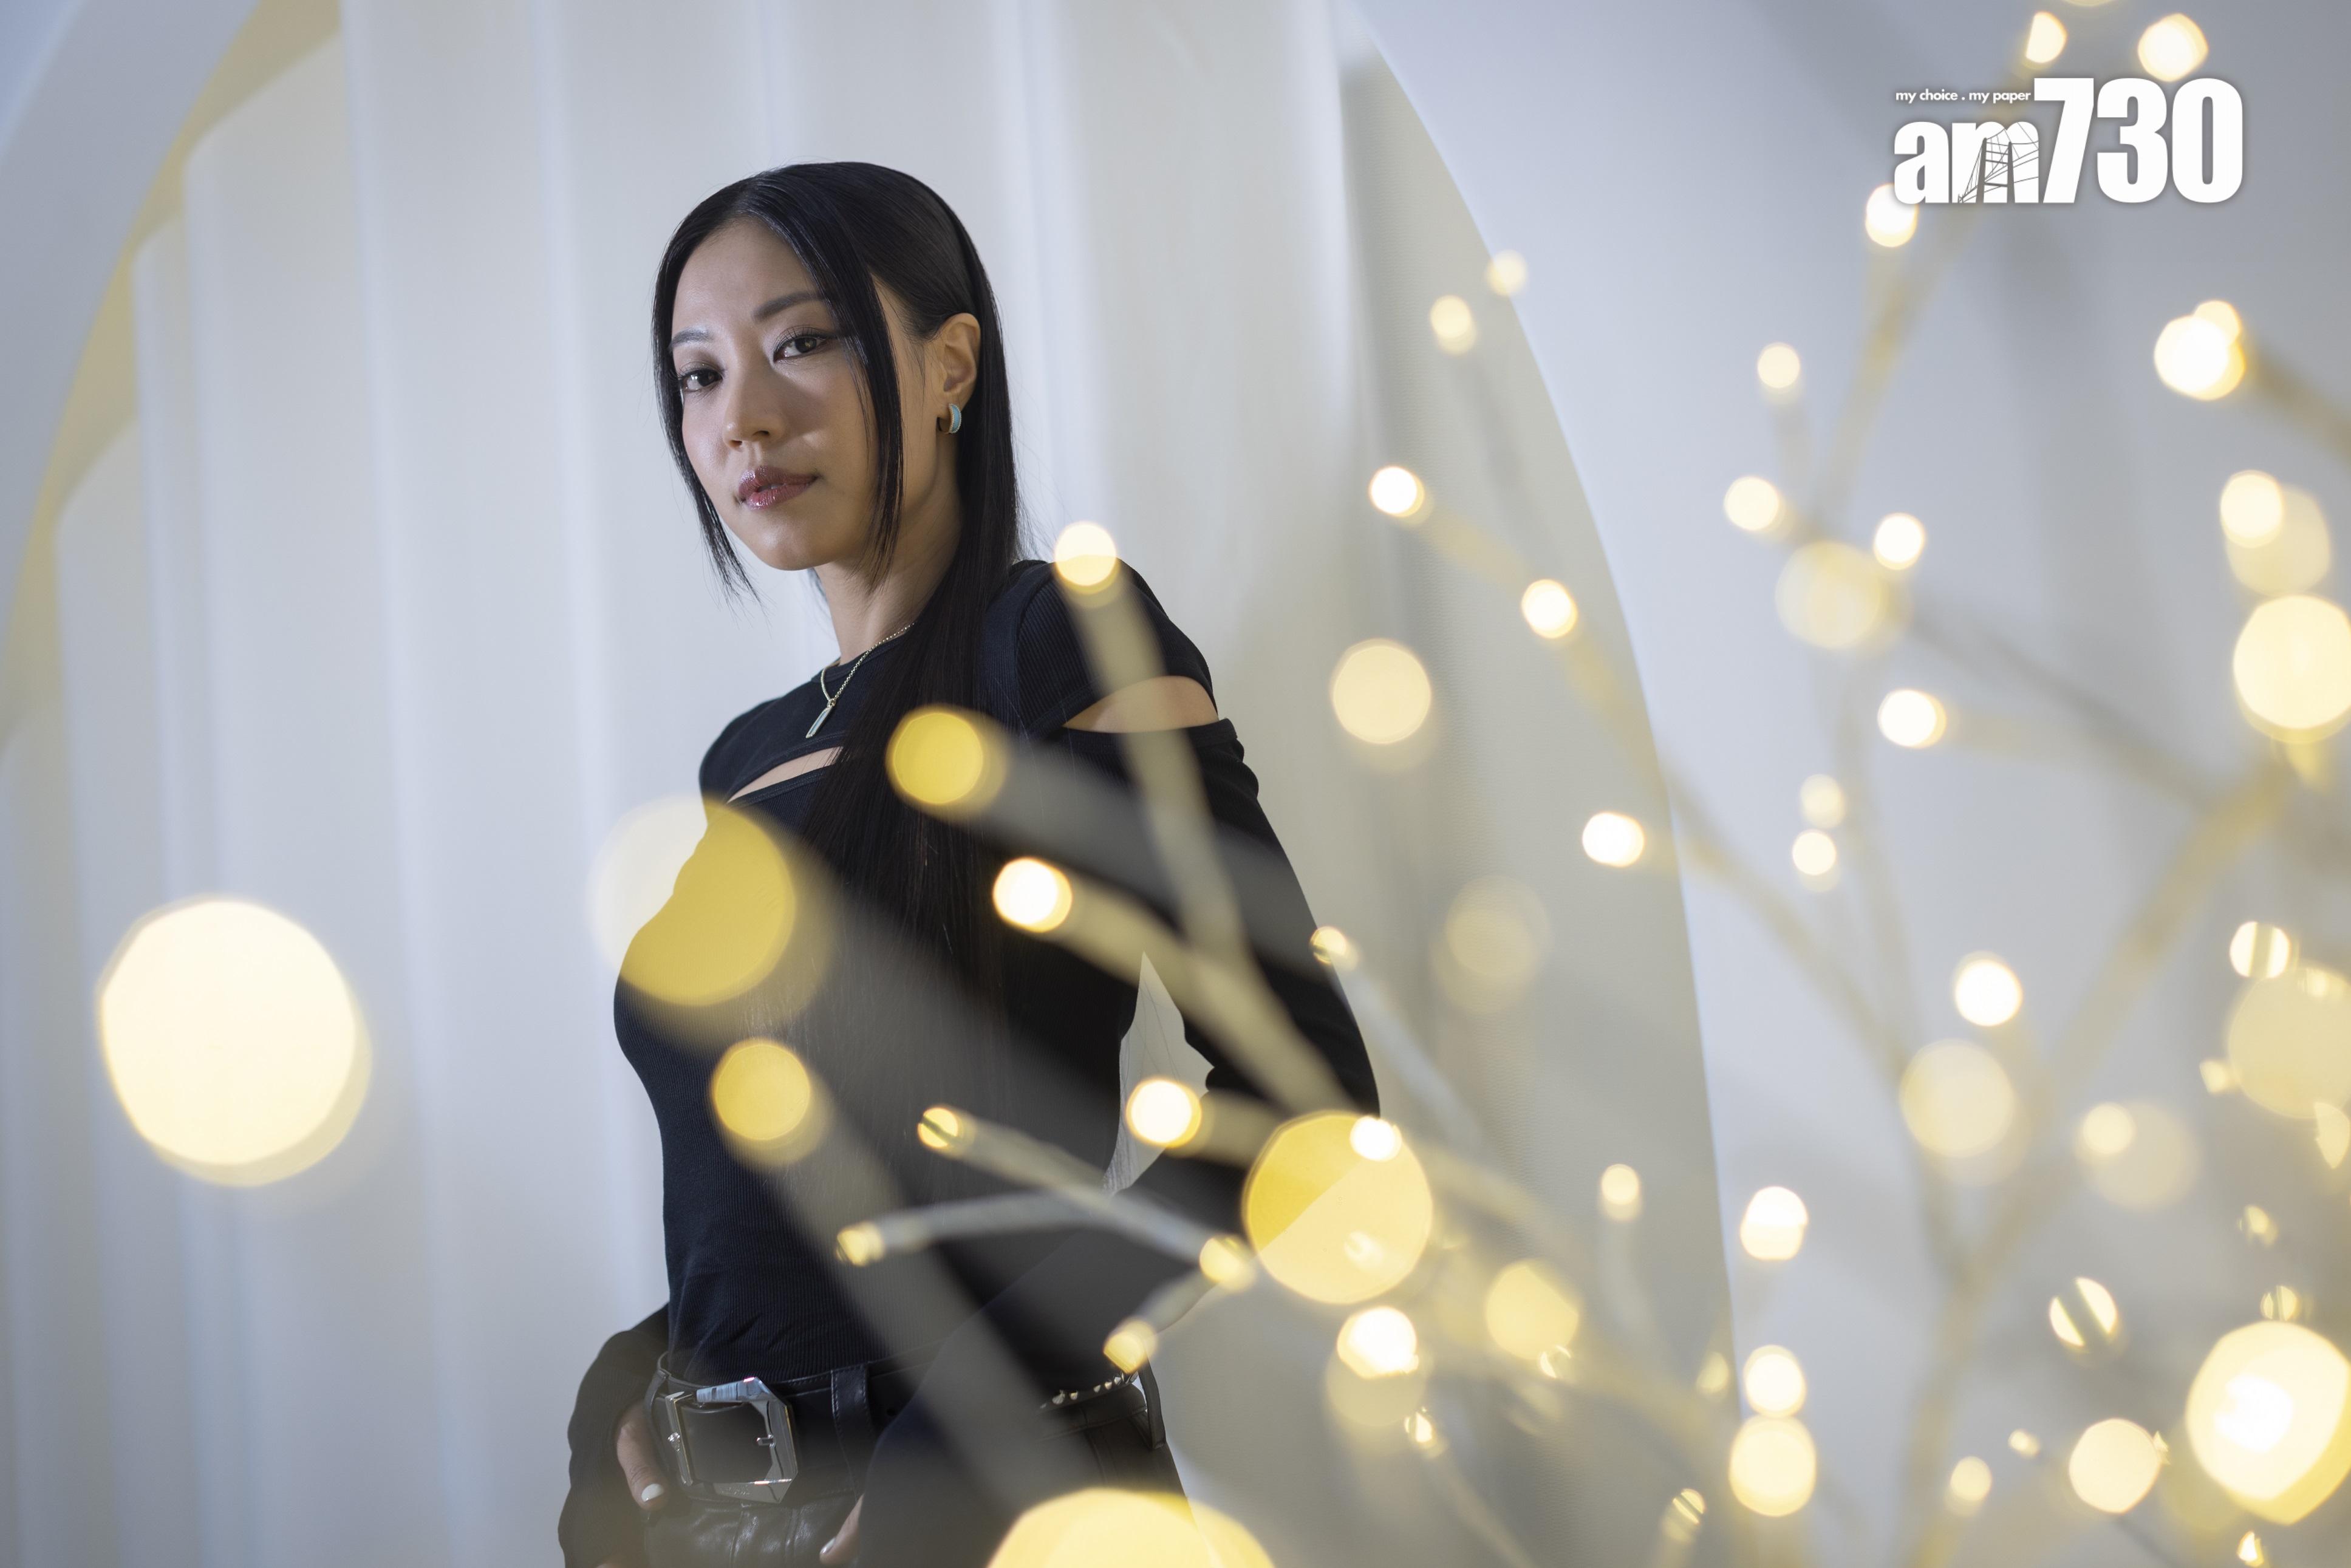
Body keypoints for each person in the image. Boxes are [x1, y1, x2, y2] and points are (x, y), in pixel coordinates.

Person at [558, 162, 1377, 1568]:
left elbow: (1301, 1097)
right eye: (698, 374)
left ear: (950, 363)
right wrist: (639, 1372)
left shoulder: (1058, 641)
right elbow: (778, 1185)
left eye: (801, 342)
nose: (743, 414)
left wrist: (965, 1435)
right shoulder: (745, 757)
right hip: (718, 1527)